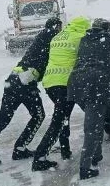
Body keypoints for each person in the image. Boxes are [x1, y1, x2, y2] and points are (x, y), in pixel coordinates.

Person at [0, 17, 63, 169]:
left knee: (2, 120)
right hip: (25, 81)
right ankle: (20, 148)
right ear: (57, 27)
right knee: (38, 115)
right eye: (60, 28)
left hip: (13, 78)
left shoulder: (41, 36)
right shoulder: (52, 35)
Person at [67, 18, 110, 180]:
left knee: (94, 120)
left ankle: (96, 155)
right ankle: (85, 168)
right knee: (93, 127)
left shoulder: (84, 39)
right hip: (97, 83)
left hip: (78, 83)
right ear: (106, 30)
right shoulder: (107, 38)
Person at [31, 16, 91, 171]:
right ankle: (40, 157)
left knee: (63, 117)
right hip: (64, 84)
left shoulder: (58, 36)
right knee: (58, 121)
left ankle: (65, 149)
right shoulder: (80, 37)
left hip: (50, 83)